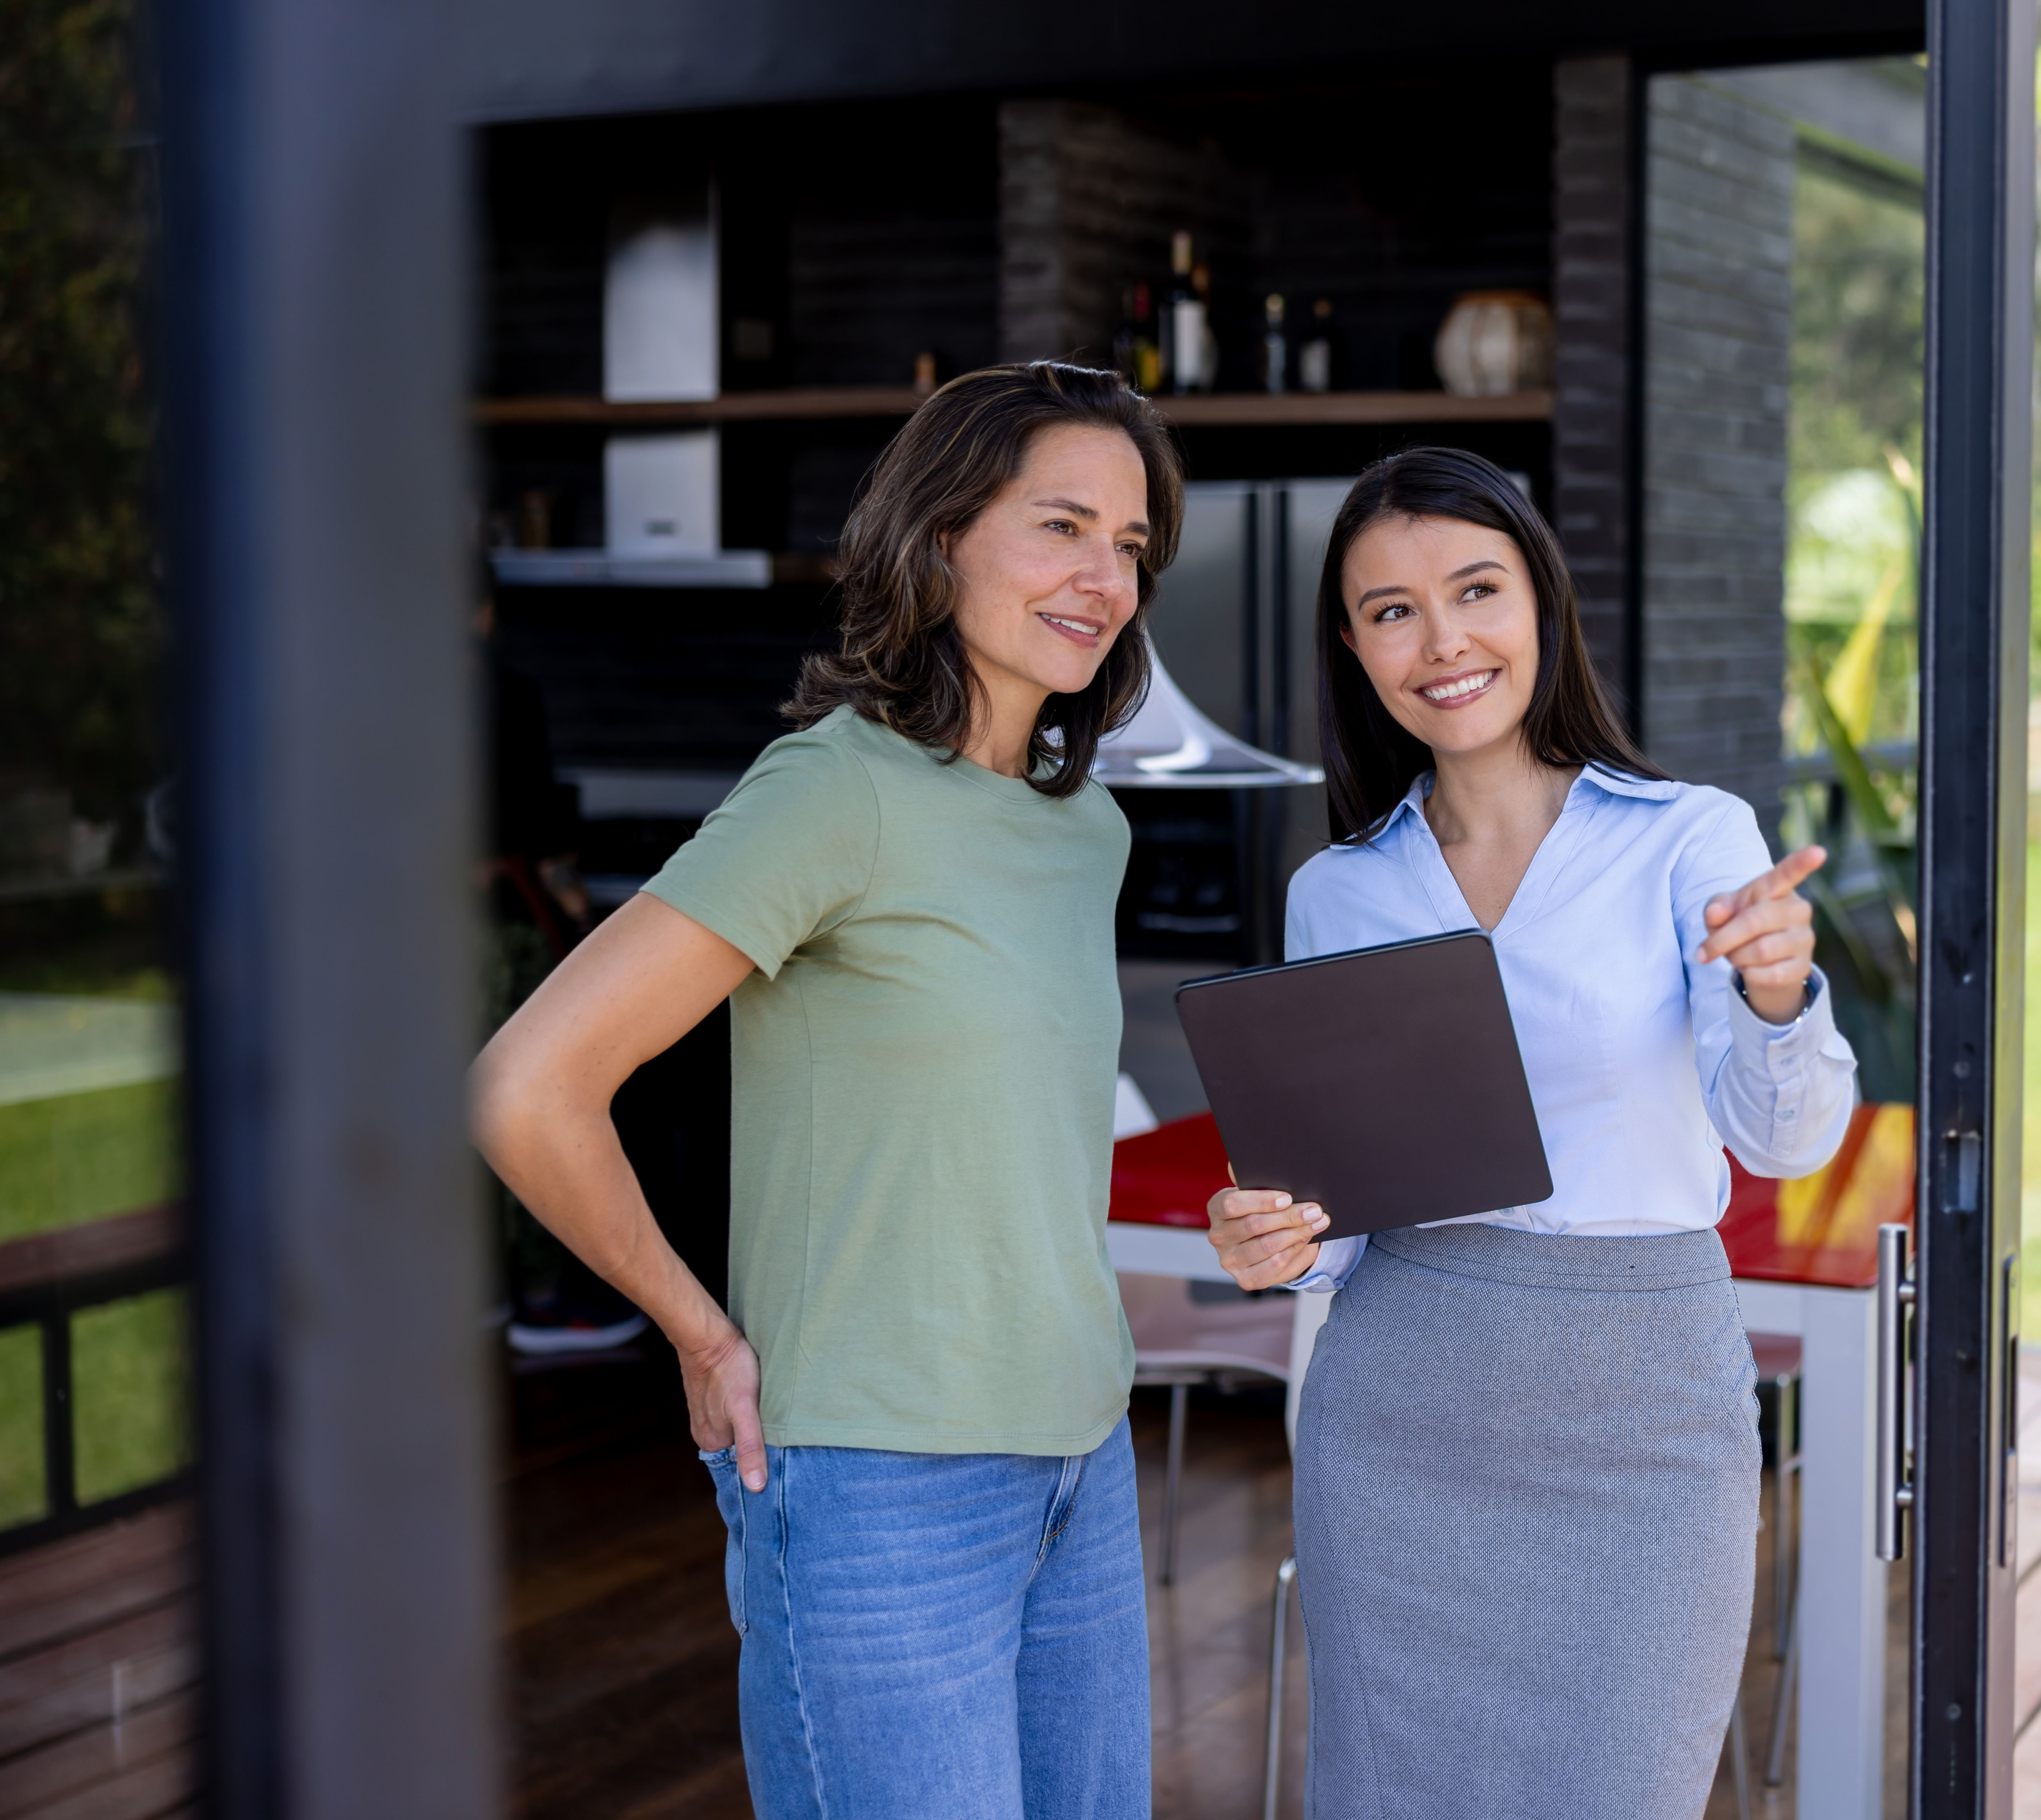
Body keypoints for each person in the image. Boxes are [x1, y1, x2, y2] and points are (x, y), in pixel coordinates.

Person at [471, 362, 1181, 1819]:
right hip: (878, 1487)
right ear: (939, 537)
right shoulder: (832, 790)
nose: (1102, 576)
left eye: (1128, 544)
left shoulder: (1084, 825)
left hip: (1080, 1458)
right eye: (1061, 525)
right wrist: (696, 1328)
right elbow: (529, 1084)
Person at [1204, 447, 1858, 1818]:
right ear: (1355, 647)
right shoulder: (1337, 889)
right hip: (1398, 1420)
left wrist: (1780, 987)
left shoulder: (1689, 837)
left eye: (1476, 590)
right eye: (1391, 610)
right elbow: (1343, 1224)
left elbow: (1784, 1144)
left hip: (1646, 1416)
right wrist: (1277, 1239)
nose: (1441, 641)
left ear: (1543, 606)